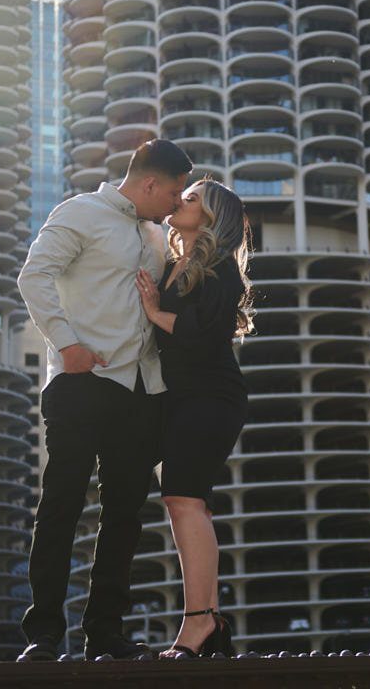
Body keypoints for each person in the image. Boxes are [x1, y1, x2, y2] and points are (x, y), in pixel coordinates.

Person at [15, 139, 192, 662]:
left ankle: (105, 634)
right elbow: (34, 275)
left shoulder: (157, 235)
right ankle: (44, 634)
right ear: (150, 183)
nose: (177, 202)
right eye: (175, 192)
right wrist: (65, 343)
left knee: (124, 516)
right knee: (62, 505)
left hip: (141, 391)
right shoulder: (80, 213)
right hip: (82, 380)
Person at [133, 176, 253, 659]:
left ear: (210, 216)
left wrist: (154, 311)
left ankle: (198, 625)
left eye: (191, 198)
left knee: (184, 500)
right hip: (181, 396)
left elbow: (204, 333)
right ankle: (209, 622)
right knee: (188, 504)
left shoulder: (219, 266)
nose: (180, 200)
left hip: (211, 395)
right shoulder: (173, 260)